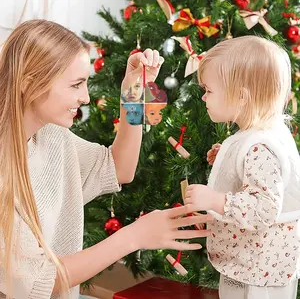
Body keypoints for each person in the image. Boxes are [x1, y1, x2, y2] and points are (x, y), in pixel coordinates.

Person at [0, 19, 212, 299]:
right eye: (76, 85)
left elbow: (119, 168)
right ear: (29, 83)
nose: (86, 97)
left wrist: (132, 93)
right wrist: (134, 236)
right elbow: (39, 281)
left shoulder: (51, 136)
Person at [184, 35, 300, 299]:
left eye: (209, 90)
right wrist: (224, 155)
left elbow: (264, 209)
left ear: (241, 97)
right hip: (257, 265)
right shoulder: (264, 132)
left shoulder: (260, 148)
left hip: (259, 272)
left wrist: (215, 200)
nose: (204, 97)